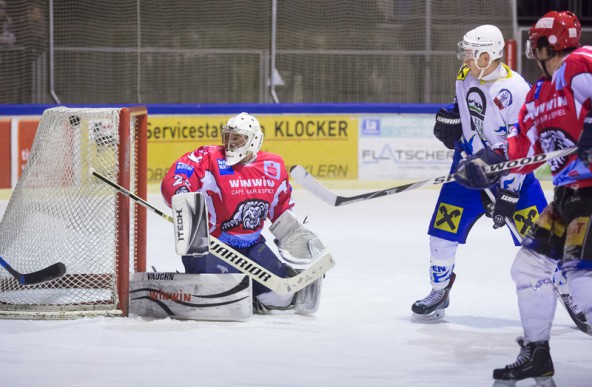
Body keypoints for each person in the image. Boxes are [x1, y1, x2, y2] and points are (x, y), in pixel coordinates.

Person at [453, 10, 592, 381]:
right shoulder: (540, 94)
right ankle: (538, 353)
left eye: (536, 44)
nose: (531, 50)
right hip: (567, 197)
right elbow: (521, 145)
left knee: (581, 276)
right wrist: (488, 162)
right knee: (528, 267)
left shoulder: (581, 64)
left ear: (549, 45)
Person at [411, 25, 548, 321]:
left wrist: (510, 191)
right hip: (469, 168)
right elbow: (469, 111)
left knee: (543, 239)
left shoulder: (517, 90)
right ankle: (439, 288)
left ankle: (567, 292)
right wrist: (452, 119)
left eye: (471, 54)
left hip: (510, 173)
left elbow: (522, 146)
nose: (465, 60)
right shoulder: (465, 76)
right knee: (442, 232)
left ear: (488, 56)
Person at [161, 112, 323, 314]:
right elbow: (176, 177)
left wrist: (298, 236)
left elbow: (280, 210)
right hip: (213, 246)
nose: (229, 142)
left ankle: (247, 296)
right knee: (223, 295)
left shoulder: (273, 165)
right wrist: (182, 196)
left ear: (254, 140)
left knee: (281, 298)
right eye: (227, 136)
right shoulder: (208, 157)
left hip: (252, 246)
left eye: (237, 137)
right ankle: (199, 285)